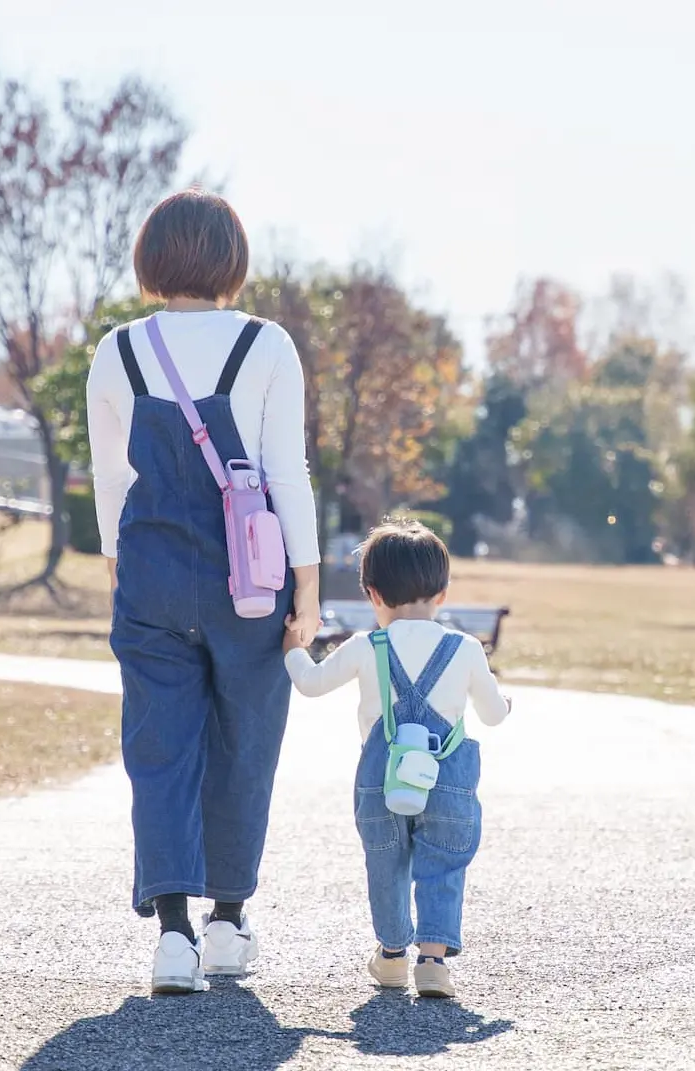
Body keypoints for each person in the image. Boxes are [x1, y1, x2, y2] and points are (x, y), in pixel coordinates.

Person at [87, 189, 323, 995]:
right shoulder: (266, 344)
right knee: (245, 743)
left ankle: (173, 937)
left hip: (149, 573)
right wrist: (311, 590)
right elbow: (287, 473)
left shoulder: (115, 351)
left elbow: (110, 481)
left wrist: (122, 580)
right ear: (231, 257)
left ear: (152, 257)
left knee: (159, 753)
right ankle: (228, 921)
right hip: (251, 581)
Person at [283, 521, 510, 999]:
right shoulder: (465, 649)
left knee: (386, 863)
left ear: (372, 594)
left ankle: (391, 957)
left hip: (380, 782)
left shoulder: (367, 646)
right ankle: (432, 962)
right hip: (447, 781)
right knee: (443, 865)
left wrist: (292, 649)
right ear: (442, 594)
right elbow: (492, 716)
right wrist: (505, 703)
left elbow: (312, 683)